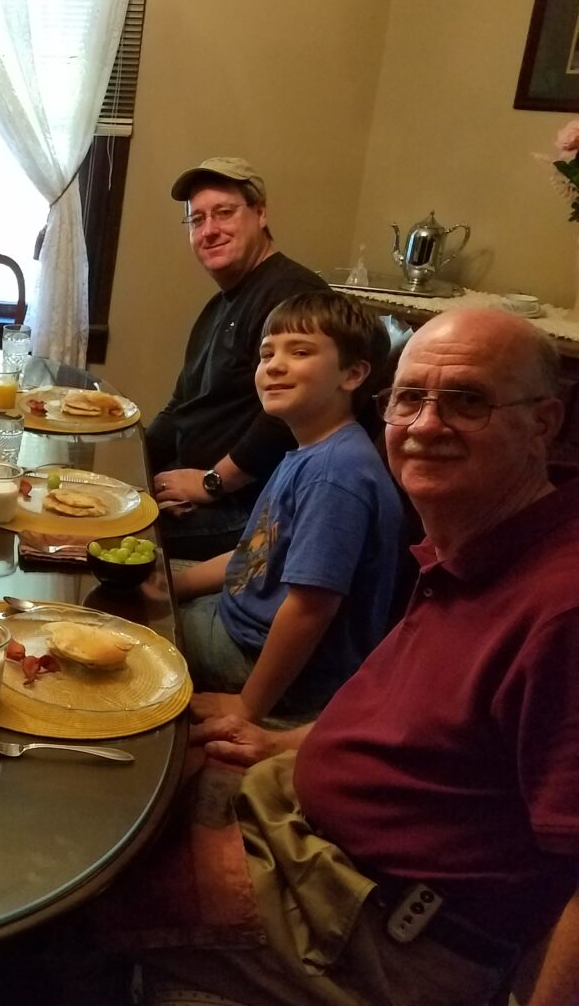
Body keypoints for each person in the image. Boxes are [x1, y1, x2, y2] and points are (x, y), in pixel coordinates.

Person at [139, 308, 579, 1005]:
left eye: (467, 400)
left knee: (85, 896)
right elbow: (408, 717)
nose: (427, 425)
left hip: (373, 916)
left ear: (544, 423)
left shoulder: (561, 607)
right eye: (410, 400)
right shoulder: (468, 543)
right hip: (300, 822)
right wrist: (278, 742)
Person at [172, 292, 402, 722]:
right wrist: (168, 587)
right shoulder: (310, 451)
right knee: (141, 598)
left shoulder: (336, 473)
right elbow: (253, 555)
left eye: (300, 352)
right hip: (238, 624)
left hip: (267, 664)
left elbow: (311, 609)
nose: (274, 365)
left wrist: (247, 706)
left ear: (352, 374)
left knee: (130, 629)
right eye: (266, 353)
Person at [146, 157, 328, 560]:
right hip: (196, 486)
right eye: (197, 221)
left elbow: (291, 413)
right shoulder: (219, 305)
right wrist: (132, 471)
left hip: (248, 507)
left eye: (224, 213)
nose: (209, 231)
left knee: (104, 538)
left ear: (260, 213)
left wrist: (212, 483)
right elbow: (180, 407)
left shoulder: (292, 295)